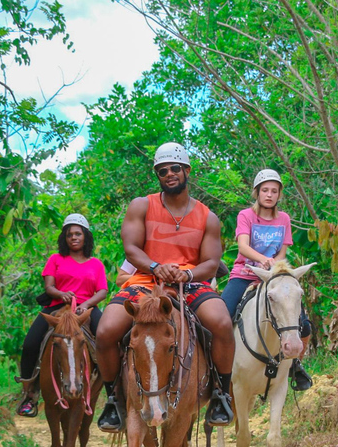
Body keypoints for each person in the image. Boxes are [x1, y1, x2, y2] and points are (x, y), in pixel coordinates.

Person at [95, 142, 236, 432]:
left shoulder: (208, 217)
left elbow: (211, 262)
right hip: (145, 281)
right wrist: (156, 267)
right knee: (106, 331)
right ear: (157, 175)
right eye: (162, 171)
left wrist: (186, 273)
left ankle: (222, 394)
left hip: (190, 283)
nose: (169, 174)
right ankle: (113, 400)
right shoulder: (142, 205)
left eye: (174, 168)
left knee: (222, 323)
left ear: (186, 170)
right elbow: (131, 248)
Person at [220, 169, 313, 391]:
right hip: (244, 274)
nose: (269, 195)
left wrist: (273, 266)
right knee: (222, 317)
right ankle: (219, 371)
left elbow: (282, 253)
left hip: (275, 277)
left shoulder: (284, 219)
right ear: (257, 193)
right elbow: (243, 246)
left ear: (279, 194)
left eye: (274, 191)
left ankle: (295, 365)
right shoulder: (246, 216)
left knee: (304, 324)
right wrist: (263, 260)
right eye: (265, 190)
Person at [16, 213, 109, 417]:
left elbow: (102, 291)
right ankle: (29, 395)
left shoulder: (96, 264)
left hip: (85, 309)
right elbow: (49, 287)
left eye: (77, 234)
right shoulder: (56, 259)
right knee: (31, 343)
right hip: (57, 307)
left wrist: (86, 305)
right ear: (64, 238)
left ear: (85, 236)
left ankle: (113, 398)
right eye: (69, 235)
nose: (73, 238)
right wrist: (62, 294)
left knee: (108, 341)